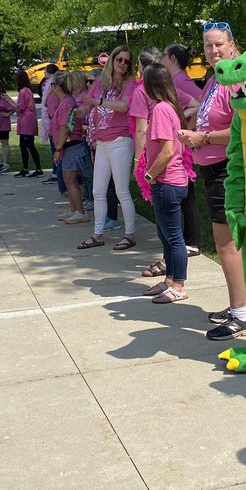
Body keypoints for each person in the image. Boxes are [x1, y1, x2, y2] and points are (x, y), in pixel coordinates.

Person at [177, 22, 246, 342]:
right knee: (226, 242)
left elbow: (242, 129)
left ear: (233, 45)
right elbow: (207, 115)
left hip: (228, 168)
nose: (214, 51)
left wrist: (203, 136)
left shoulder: (238, 78)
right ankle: (242, 304)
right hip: (211, 167)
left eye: (219, 45)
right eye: (208, 46)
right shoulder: (214, 78)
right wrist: (192, 128)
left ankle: (239, 313)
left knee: (227, 244)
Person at [77, 45, 138, 251]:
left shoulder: (129, 83)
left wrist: (98, 100)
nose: (122, 64)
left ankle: (129, 235)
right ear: (112, 60)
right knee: (97, 191)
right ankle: (97, 234)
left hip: (120, 140)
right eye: (119, 59)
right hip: (102, 141)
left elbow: (124, 106)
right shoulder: (101, 82)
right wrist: (74, 111)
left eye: (126, 61)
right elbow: (87, 107)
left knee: (122, 190)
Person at [141, 64, 190, 303]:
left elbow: (167, 150)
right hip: (172, 182)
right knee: (165, 235)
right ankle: (169, 280)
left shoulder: (161, 109)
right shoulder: (170, 107)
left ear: (151, 85)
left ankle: (178, 285)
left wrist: (150, 175)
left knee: (174, 236)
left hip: (167, 182)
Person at [162, 43, 203, 258]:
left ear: (172, 58)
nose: (161, 59)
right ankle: (189, 239)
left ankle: (193, 240)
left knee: (188, 194)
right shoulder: (174, 80)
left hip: (186, 145)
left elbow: (201, 103)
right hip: (182, 143)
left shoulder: (181, 82)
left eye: (163, 55)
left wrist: (187, 127)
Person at [53, 71, 91, 224]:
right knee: (68, 179)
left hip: (72, 146)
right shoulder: (67, 101)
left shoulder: (66, 103)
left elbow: (65, 128)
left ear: (57, 87)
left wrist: (58, 148)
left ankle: (80, 212)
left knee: (70, 180)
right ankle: (73, 209)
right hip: (70, 146)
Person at [13, 69, 43, 177]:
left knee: (29, 145)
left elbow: (20, 107)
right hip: (26, 121)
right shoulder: (27, 90)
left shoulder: (23, 91)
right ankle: (25, 168)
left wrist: (8, 101)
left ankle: (38, 169)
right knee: (23, 146)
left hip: (26, 121)